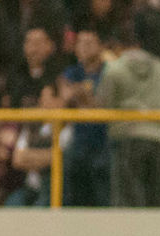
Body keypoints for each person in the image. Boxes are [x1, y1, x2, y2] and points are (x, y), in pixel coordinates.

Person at [97, 14, 160, 207]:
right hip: (159, 136)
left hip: (126, 136)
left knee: (127, 201)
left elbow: (104, 103)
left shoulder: (114, 69)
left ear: (117, 45)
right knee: (156, 199)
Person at [60, 27, 110, 207]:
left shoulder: (109, 71)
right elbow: (66, 95)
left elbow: (101, 103)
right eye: (80, 43)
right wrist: (85, 93)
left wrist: (80, 94)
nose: (84, 47)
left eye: (89, 43)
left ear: (100, 47)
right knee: (73, 195)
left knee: (103, 196)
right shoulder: (72, 71)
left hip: (104, 142)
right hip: (80, 140)